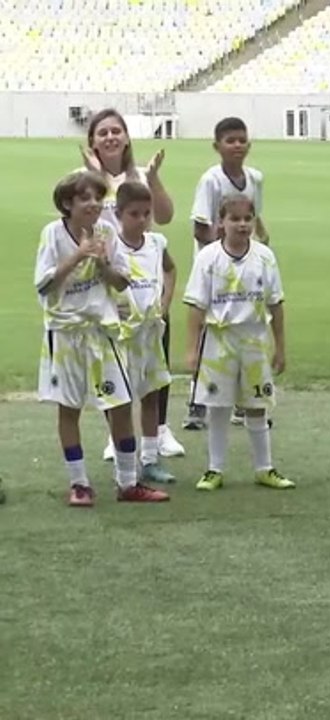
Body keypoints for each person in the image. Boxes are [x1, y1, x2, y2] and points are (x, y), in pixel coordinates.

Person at [35, 171, 170, 506]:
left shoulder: (107, 232)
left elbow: (121, 282)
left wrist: (104, 265)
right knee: (69, 408)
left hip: (103, 331)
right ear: (68, 204)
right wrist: (78, 256)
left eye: (97, 197)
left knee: (121, 405)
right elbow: (44, 286)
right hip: (66, 333)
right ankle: (79, 484)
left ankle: (128, 483)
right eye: (85, 198)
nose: (94, 204)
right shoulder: (52, 234)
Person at [79, 108, 183, 461]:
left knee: (156, 353)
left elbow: (166, 216)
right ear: (92, 141)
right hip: (105, 277)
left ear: (126, 137)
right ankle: (116, 433)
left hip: (146, 275)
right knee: (112, 357)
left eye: (116, 131)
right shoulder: (84, 178)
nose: (110, 137)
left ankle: (161, 430)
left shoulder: (138, 174)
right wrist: (96, 179)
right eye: (102, 132)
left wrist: (152, 179)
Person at [185, 195, 293, 491]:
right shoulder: (207, 257)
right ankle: (214, 469)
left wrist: (280, 347)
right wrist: (191, 349)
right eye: (235, 219)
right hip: (219, 339)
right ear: (222, 222)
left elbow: (276, 304)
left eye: (248, 218)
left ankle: (264, 467)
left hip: (255, 338)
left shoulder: (264, 257)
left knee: (257, 404)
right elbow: (196, 306)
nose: (242, 224)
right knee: (217, 406)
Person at [186, 116, 269, 431]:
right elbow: (199, 225)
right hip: (214, 265)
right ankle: (197, 403)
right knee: (211, 330)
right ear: (217, 146)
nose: (237, 146)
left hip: (245, 263)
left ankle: (243, 402)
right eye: (230, 140)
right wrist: (223, 252)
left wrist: (260, 239)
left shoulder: (254, 178)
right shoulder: (211, 180)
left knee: (243, 326)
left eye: (241, 140)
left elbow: (253, 214)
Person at [110, 181, 179, 484]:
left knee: (151, 395)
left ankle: (150, 458)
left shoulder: (156, 243)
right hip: (123, 335)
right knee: (121, 401)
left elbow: (170, 269)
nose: (141, 220)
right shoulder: (112, 247)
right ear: (118, 213)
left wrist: (165, 302)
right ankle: (123, 459)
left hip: (150, 332)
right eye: (134, 214)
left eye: (146, 214)